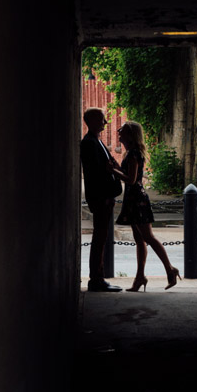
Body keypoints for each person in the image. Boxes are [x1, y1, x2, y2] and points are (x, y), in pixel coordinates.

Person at [110, 121, 181, 291]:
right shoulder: (130, 153)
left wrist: (113, 171)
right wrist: (116, 166)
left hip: (137, 199)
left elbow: (131, 179)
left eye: (123, 131)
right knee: (140, 240)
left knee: (148, 237)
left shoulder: (133, 154)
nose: (119, 133)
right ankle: (140, 277)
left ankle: (170, 269)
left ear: (130, 135)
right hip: (133, 199)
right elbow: (128, 174)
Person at [80, 107, 122, 292]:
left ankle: (98, 277)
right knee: (99, 238)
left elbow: (107, 166)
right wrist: (104, 197)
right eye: (103, 119)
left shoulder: (96, 141)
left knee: (101, 238)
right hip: (100, 199)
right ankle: (96, 279)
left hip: (104, 197)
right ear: (94, 121)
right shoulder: (89, 143)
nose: (106, 123)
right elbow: (94, 174)